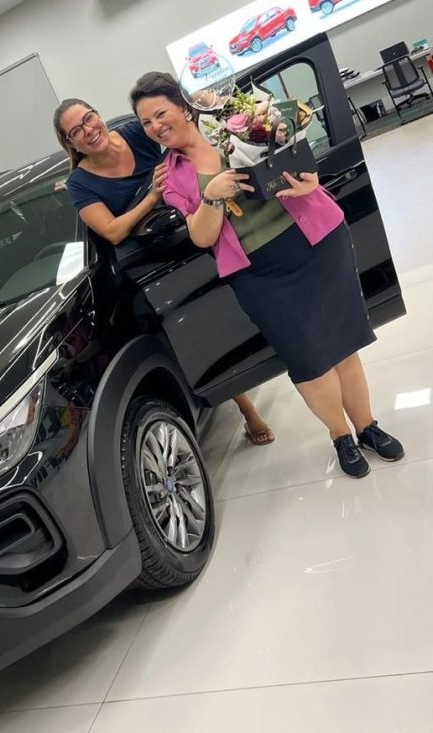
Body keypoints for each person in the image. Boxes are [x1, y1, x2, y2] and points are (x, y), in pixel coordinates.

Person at [129, 71, 404, 478]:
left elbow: (296, 158)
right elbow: (202, 236)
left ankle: (367, 428)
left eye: (160, 113)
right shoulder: (172, 175)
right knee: (307, 357)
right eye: (146, 122)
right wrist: (211, 196)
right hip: (258, 272)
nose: (155, 126)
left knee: (343, 342)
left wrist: (309, 181)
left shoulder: (232, 123)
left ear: (184, 107)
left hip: (315, 240)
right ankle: (339, 436)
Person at [53, 98, 275, 446]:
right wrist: (152, 196)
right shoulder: (80, 183)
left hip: (191, 227)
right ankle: (246, 408)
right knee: (201, 332)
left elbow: (181, 143)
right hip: (146, 260)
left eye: (88, 118)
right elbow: (112, 231)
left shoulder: (134, 132)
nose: (88, 130)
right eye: (76, 131)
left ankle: (267, 356)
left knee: (234, 307)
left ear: (97, 114)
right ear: (71, 143)